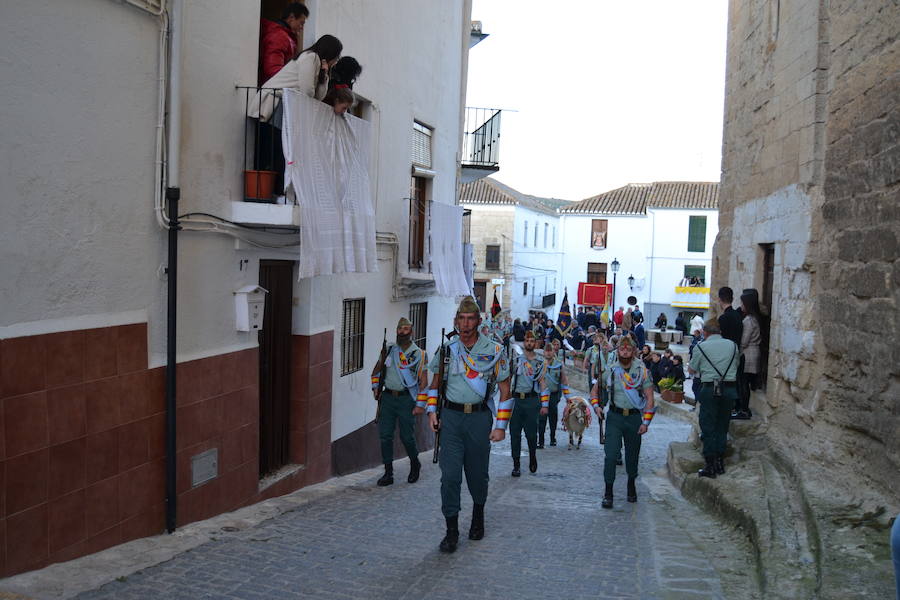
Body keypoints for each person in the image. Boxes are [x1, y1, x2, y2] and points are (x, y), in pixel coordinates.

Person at [427, 296, 511, 553]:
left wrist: (500, 426)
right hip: (451, 419)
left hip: (479, 419)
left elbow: (506, 391)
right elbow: (434, 385)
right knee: (449, 477)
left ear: (479, 320)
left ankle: (478, 514)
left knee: (477, 475)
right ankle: (451, 530)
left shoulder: (495, 351)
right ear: (455, 321)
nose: (465, 324)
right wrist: (432, 411)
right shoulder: (447, 350)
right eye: (461, 319)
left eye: (470, 318)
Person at [249, 35, 343, 195]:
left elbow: (318, 97)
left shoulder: (317, 63)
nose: (337, 60)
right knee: (274, 148)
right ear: (330, 53)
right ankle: (267, 191)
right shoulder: (311, 57)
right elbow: (307, 92)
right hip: (274, 103)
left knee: (279, 148)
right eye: (337, 56)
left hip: (285, 105)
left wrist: (325, 76)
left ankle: (274, 190)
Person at [590, 336, 656, 508]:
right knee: (611, 455)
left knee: (632, 456)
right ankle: (608, 492)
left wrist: (646, 423)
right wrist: (596, 407)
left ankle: (631, 484)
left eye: (628, 349)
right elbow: (595, 390)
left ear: (634, 351)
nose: (625, 351)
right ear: (617, 351)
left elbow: (650, 398)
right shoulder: (611, 370)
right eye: (622, 349)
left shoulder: (642, 371)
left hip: (634, 418)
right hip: (614, 417)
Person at [370, 318, 428, 486]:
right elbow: (376, 370)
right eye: (400, 329)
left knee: (406, 437)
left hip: (406, 400)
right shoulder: (389, 350)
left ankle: (415, 463)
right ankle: (388, 473)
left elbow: (423, 382)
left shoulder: (419, 354)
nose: (402, 332)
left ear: (412, 331)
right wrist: (375, 387)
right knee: (385, 436)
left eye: (406, 328)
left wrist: (420, 405)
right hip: (387, 398)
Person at [689, 318, 739, 478]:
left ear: (705, 332)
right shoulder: (733, 345)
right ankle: (720, 462)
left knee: (708, 426)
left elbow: (691, 369)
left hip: (710, 389)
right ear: (720, 332)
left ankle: (710, 464)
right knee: (722, 425)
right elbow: (736, 365)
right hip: (729, 388)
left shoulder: (701, 347)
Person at [508, 331, 549, 475]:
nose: (530, 343)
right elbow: (508, 380)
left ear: (535, 343)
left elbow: (543, 383)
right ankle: (516, 464)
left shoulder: (539, 362)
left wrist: (544, 405)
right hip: (517, 401)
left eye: (532, 340)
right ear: (524, 342)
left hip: (532, 401)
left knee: (531, 434)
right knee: (515, 434)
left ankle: (532, 456)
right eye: (527, 340)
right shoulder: (517, 360)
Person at [258, 3, 309, 84]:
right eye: (301, 23)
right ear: (291, 17)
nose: (302, 27)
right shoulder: (279, 36)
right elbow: (273, 69)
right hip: (272, 89)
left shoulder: (284, 35)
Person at [735, 290, 762, 420]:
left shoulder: (748, 321)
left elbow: (744, 341)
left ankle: (744, 410)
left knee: (743, 382)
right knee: (745, 383)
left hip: (748, 354)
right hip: (753, 353)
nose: (741, 306)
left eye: (742, 303)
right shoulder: (755, 318)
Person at [539, 343, 570, 448]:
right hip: (541, 395)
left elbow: (564, 381)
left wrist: (568, 398)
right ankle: (541, 440)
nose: (548, 353)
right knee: (541, 418)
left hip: (553, 395)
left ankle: (553, 438)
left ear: (553, 352)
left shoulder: (559, 364)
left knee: (553, 418)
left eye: (550, 350)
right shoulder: (539, 364)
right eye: (546, 351)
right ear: (543, 352)